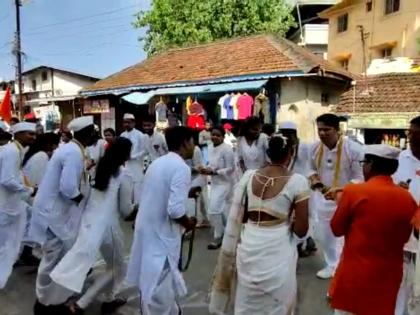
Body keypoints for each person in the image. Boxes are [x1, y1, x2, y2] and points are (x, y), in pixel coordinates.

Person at [209, 135, 310, 315]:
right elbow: (302, 231)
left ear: (267, 153)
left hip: (249, 242)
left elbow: (244, 214)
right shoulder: (298, 181)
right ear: (291, 154)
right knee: (276, 300)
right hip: (278, 245)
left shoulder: (250, 176)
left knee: (248, 298)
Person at [50, 137, 137, 315]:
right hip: (109, 227)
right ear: (125, 154)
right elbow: (126, 210)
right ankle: (83, 304)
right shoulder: (124, 174)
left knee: (106, 264)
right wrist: (139, 208)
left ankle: (109, 297)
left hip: (90, 223)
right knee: (116, 266)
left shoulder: (98, 168)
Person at [329, 144, 418, 315]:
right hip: (389, 275)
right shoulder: (407, 198)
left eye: (364, 162)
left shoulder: (353, 191)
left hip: (355, 273)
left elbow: (336, 229)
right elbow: (406, 236)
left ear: (370, 164)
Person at [126, 126, 197, 315]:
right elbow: (175, 210)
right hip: (162, 234)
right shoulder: (181, 167)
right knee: (160, 284)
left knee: (152, 279)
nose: (194, 146)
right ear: (184, 143)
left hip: (147, 229)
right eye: (192, 142)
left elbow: (158, 193)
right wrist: (188, 222)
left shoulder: (157, 163)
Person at [29, 116, 95, 314]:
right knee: (53, 257)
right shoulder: (73, 152)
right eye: (93, 132)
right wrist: (82, 200)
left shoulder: (73, 150)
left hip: (54, 211)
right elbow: (68, 187)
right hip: (52, 212)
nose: (95, 135)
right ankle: (44, 302)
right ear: (88, 133)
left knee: (57, 256)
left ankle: (50, 299)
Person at [308, 113, 364, 279]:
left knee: (347, 236)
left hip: (347, 199)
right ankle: (332, 264)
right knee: (327, 235)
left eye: (327, 129)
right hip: (323, 198)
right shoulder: (314, 148)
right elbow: (310, 169)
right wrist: (314, 179)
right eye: (320, 130)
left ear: (337, 130)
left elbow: (360, 178)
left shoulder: (353, 149)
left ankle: (346, 267)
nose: (322, 133)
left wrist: (339, 190)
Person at [0, 122, 37, 289]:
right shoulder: (12, 151)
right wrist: (28, 190)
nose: (33, 137)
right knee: (5, 246)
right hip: (5, 205)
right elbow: (7, 180)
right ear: (19, 134)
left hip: (12, 204)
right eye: (29, 133)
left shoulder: (16, 150)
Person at [394, 115, 420, 315]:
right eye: (410, 133)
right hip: (403, 231)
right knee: (400, 280)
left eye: (416, 133)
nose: (411, 137)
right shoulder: (400, 158)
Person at [279, 121, 316, 257]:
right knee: (290, 214)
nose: (286, 136)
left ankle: (304, 241)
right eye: (283, 134)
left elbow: (311, 165)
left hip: (304, 183)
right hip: (289, 183)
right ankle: (302, 241)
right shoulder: (284, 147)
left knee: (306, 213)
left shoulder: (305, 147)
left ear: (294, 134)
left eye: (288, 134)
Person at [199, 126, 235, 249]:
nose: (215, 137)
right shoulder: (209, 147)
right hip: (214, 183)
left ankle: (218, 236)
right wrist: (206, 169)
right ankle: (227, 233)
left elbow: (231, 168)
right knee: (220, 210)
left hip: (225, 183)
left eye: (218, 135)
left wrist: (216, 172)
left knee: (214, 209)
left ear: (223, 137)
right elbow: (211, 164)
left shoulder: (227, 149)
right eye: (213, 134)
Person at [120, 113, 147, 205]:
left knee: (137, 187)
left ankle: (137, 208)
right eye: (125, 122)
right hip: (126, 165)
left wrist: (133, 156)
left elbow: (144, 151)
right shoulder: (122, 135)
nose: (126, 124)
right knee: (128, 186)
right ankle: (128, 208)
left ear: (133, 123)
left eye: (128, 122)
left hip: (137, 165)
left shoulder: (140, 135)